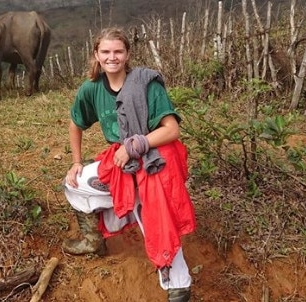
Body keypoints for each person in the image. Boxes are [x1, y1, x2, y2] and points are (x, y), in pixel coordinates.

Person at [62, 27, 197, 302]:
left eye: (118, 51)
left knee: (153, 210)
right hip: (121, 163)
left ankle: (178, 284)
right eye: (106, 52)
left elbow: (171, 130)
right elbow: (76, 124)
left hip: (154, 159)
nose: (112, 57)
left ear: (127, 54)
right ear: (96, 55)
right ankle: (93, 240)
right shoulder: (91, 89)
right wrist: (76, 162)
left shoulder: (146, 84)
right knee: (74, 184)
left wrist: (134, 146)